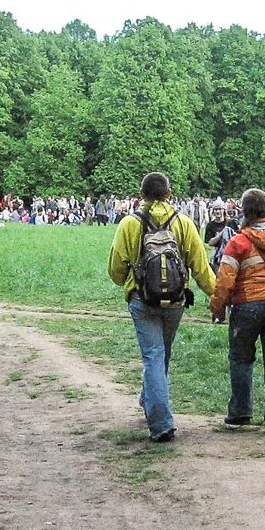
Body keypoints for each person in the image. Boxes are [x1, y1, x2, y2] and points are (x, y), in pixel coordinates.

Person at [108, 172, 216, 442]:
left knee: (153, 356)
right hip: (176, 300)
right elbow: (201, 268)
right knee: (161, 354)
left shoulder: (129, 224)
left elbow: (116, 271)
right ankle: (151, 401)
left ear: (141, 194)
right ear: (169, 193)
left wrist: (129, 279)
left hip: (142, 300)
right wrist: (218, 297)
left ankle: (160, 423)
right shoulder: (184, 223)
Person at [209, 188, 265, 435]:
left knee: (240, 359)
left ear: (243, 211)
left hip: (246, 307)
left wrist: (218, 308)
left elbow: (224, 281)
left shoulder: (238, 242)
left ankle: (240, 411)